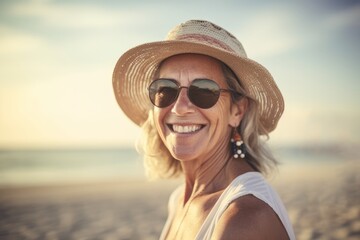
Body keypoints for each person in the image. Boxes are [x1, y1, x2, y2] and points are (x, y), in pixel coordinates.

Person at [112, 20, 295, 240]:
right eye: (165, 89)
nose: (180, 108)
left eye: (204, 91)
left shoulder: (242, 219)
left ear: (237, 111)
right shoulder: (179, 200)